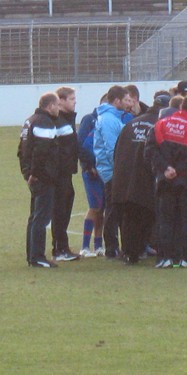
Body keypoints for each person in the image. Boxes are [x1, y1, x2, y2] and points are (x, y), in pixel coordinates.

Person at [150, 95, 187, 268]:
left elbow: (150, 150)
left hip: (164, 181)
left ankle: (165, 257)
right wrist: (178, 170)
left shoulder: (161, 124)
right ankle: (182, 257)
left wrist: (166, 168)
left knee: (165, 219)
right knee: (186, 220)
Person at [112, 95, 169, 264]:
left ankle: (130, 252)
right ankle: (138, 250)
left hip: (124, 177)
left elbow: (117, 151)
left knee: (130, 215)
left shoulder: (132, 123)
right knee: (146, 215)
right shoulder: (160, 126)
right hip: (145, 178)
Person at [18, 93, 60, 268]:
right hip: (43, 176)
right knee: (41, 217)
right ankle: (37, 257)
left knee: (34, 216)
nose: (58, 108)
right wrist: (34, 173)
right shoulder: (44, 122)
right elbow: (40, 151)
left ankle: (32, 255)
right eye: (57, 105)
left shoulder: (30, 120)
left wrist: (27, 173)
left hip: (34, 175)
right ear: (49, 106)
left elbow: (21, 150)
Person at [93, 85, 132, 259]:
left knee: (117, 207)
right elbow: (111, 149)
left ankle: (117, 246)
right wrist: (119, 171)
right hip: (112, 171)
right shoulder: (109, 119)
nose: (127, 103)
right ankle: (111, 247)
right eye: (125, 100)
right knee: (113, 208)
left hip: (113, 169)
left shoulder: (113, 117)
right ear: (117, 100)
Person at [51, 86, 80, 261]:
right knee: (60, 209)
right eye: (71, 98)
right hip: (59, 174)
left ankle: (62, 246)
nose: (74, 101)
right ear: (60, 101)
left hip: (66, 172)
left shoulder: (67, 119)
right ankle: (60, 248)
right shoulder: (57, 121)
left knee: (65, 206)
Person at [77, 93, 107, 258]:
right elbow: (80, 145)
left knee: (102, 208)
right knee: (94, 207)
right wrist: (89, 166)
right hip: (92, 172)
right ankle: (84, 246)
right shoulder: (89, 119)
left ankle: (98, 245)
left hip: (105, 171)